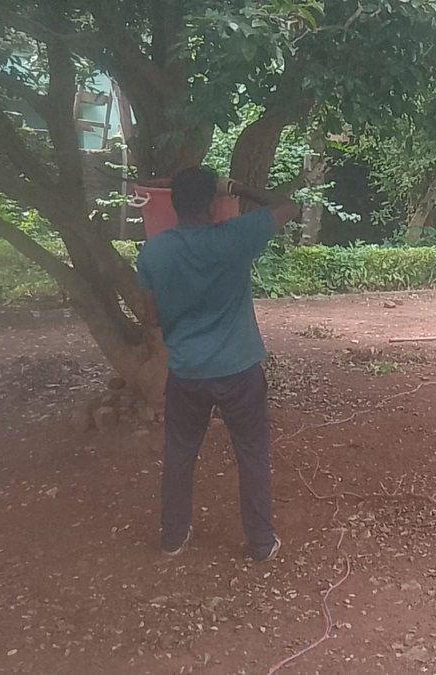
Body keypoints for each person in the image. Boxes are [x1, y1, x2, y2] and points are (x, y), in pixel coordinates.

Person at [137, 167, 300, 561]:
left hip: (187, 373)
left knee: (180, 454)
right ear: (214, 204)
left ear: (174, 206)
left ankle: (173, 537)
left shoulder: (154, 251)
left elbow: (151, 317)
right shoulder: (236, 237)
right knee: (251, 454)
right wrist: (237, 186)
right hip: (239, 370)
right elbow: (288, 206)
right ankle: (261, 543)